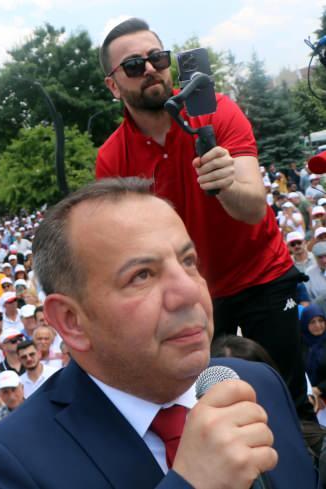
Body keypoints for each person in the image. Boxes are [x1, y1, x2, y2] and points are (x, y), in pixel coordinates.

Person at [0, 178, 316, 488]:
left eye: (188, 262)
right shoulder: (13, 462)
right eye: (142, 275)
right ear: (72, 321)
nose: (190, 292)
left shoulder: (258, 383)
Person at [94, 17, 309, 418]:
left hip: (261, 273)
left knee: (289, 399)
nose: (151, 69)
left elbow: (254, 209)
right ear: (113, 84)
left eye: (157, 57)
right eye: (134, 65)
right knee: (215, 409)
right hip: (193, 294)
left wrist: (225, 184)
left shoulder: (216, 111)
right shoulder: (112, 158)